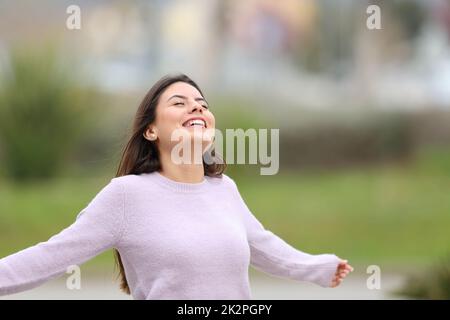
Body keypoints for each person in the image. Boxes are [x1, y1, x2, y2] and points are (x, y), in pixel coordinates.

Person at [0, 74, 353, 299]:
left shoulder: (223, 189)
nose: (196, 108)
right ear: (150, 131)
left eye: (202, 104)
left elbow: (264, 247)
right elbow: (52, 255)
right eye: (179, 103)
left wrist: (319, 268)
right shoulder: (126, 196)